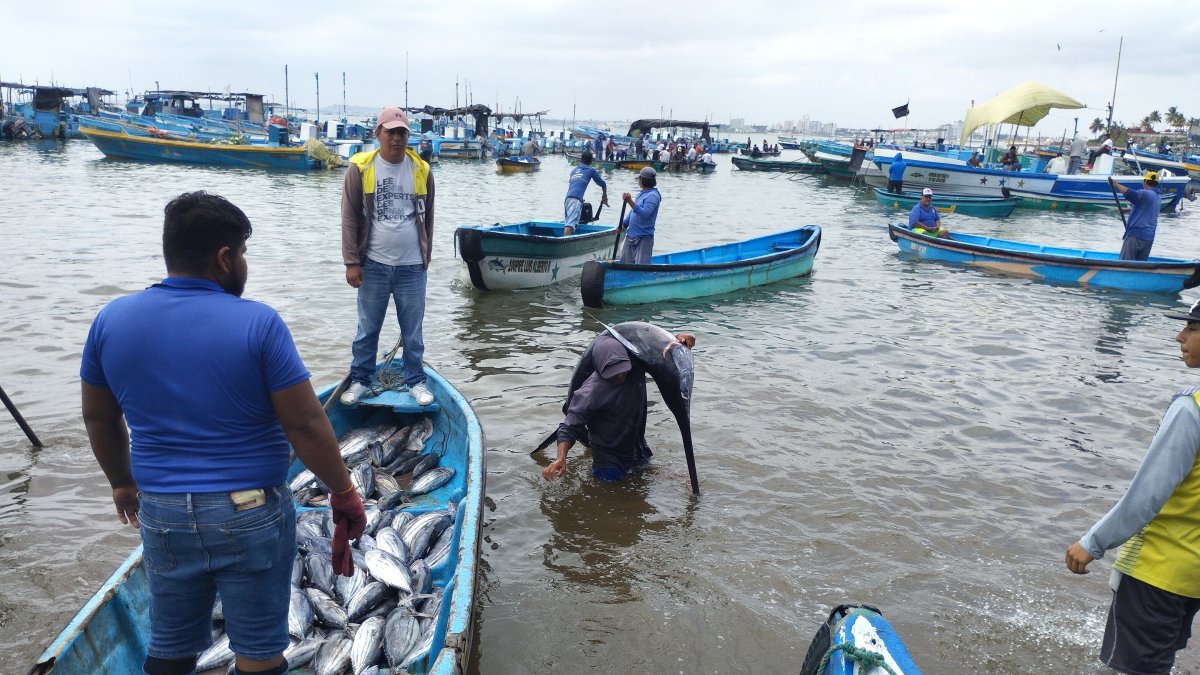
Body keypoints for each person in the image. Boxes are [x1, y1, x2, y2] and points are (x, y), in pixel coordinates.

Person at [81, 192, 366, 675]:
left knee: (170, 645)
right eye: (244, 254)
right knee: (258, 650)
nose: (245, 264)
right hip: (249, 511)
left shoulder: (111, 320)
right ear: (224, 257)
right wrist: (343, 491)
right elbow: (304, 423)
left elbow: (99, 419)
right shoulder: (259, 323)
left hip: (162, 513)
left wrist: (121, 482)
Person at [1065, 297, 1200, 675]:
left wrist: (1093, 541)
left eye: (1192, 329)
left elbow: (1148, 494)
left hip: (1155, 571)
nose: (1179, 337)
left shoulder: (1191, 409)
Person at [340, 107, 436, 407]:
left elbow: (429, 217)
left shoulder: (421, 169)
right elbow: (349, 217)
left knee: (413, 331)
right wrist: (352, 262)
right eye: (391, 131)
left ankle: (415, 381)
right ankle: (360, 379)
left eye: (402, 132)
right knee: (367, 329)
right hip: (373, 265)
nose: (397, 137)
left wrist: (425, 256)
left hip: (412, 266)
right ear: (378, 133)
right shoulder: (360, 168)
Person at [542, 331, 696, 482]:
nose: (620, 376)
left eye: (623, 370)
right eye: (613, 373)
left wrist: (681, 340)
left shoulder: (635, 367)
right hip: (609, 463)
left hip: (638, 451)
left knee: (674, 481)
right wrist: (561, 458)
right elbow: (568, 428)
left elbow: (659, 348)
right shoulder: (589, 393)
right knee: (611, 496)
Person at [1110, 171, 1161, 261]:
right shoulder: (1158, 197)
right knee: (1140, 265)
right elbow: (1147, 209)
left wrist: (1116, 185)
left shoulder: (1145, 193)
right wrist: (1126, 210)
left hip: (1136, 235)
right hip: (1149, 237)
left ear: (1145, 181)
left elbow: (1130, 194)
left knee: (1125, 263)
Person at [620, 167, 661, 263]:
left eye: (639, 179)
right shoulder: (642, 193)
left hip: (644, 238)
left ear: (642, 180)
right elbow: (633, 211)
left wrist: (629, 201)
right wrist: (624, 225)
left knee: (641, 267)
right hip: (631, 235)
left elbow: (645, 213)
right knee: (624, 264)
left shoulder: (653, 196)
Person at [564, 150, 608, 236]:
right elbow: (602, 184)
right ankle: (564, 242)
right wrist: (604, 196)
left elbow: (574, 186)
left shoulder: (573, 171)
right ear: (591, 161)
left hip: (567, 199)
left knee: (569, 223)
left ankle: (568, 239)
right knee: (570, 225)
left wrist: (580, 200)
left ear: (581, 159)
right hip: (575, 200)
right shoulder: (591, 170)